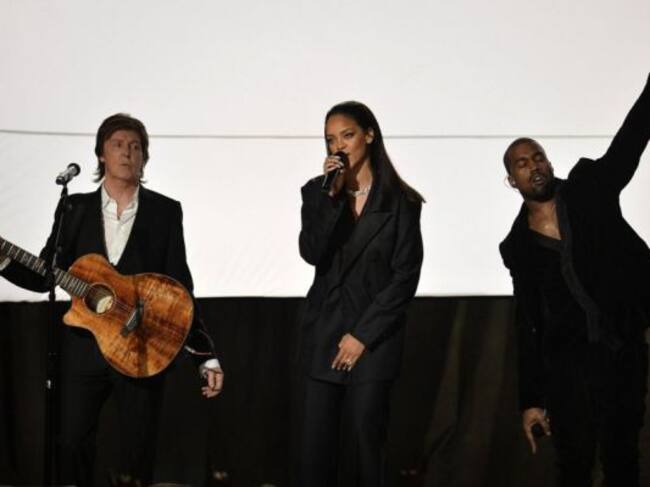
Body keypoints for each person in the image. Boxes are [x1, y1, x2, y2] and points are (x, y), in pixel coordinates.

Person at [0, 113, 224, 486]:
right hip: (83, 347)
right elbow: (46, 274)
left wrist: (205, 355)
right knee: (71, 444)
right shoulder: (74, 209)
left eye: (136, 147)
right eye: (118, 144)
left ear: (144, 157)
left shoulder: (165, 211)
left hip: (142, 347)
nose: (127, 152)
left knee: (138, 449)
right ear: (101, 154)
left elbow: (180, 288)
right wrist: (4, 260)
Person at [499, 74, 650, 486]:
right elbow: (528, 323)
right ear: (512, 180)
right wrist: (531, 400)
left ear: (550, 164)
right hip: (568, 370)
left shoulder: (589, 189)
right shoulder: (517, 247)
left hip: (620, 351)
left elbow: (630, 141)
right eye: (522, 164)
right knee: (574, 466)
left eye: (539, 158)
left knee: (622, 460)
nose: (534, 166)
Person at [297, 101, 424, 486]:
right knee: (316, 449)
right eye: (330, 140)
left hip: (373, 340)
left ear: (369, 135)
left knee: (367, 444)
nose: (339, 146)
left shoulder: (401, 202)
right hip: (324, 334)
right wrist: (330, 199)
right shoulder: (317, 193)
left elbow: (404, 276)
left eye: (347, 135)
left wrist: (362, 336)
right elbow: (312, 252)